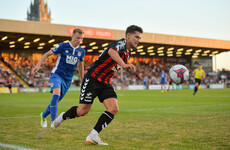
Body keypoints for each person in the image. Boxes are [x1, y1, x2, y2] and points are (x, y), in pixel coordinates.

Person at [52, 25, 143, 145]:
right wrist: (124, 65)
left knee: (113, 108)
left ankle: (93, 135)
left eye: (140, 38)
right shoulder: (120, 43)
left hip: (105, 82)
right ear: (128, 36)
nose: (138, 40)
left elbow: (112, 64)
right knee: (82, 111)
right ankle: (62, 117)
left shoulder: (127, 53)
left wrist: (123, 66)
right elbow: (111, 51)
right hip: (93, 78)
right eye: (136, 37)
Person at [31, 28, 85, 128]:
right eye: (77, 38)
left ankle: (43, 115)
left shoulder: (81, 51)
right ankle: (53, 121)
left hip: (68, 80)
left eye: (81, 39)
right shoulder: (63, 46)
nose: (79, 41)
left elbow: (81, 66)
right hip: (57, 75)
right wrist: (38, 65)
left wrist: (82, 80)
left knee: (56, 101)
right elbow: (47, 54)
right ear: (72, 36)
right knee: (56, 95)